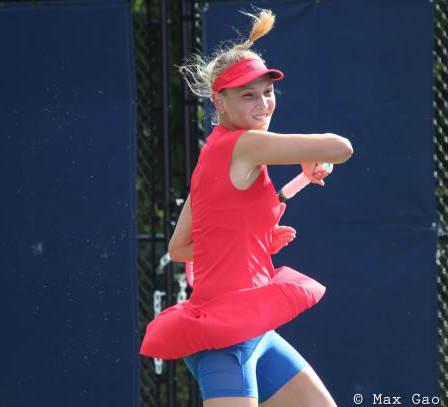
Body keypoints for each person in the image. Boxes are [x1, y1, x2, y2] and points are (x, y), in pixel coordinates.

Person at [140, 8, 353, 407]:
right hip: (225, 338)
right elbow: (341, 148)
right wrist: (308, 157)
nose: (263, 104)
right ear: (219, 103)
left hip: (254, 328)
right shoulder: (246, 144)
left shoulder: (213, 157)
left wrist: (252, 240)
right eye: (248, 95)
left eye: (267, 92)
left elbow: (180, 247)